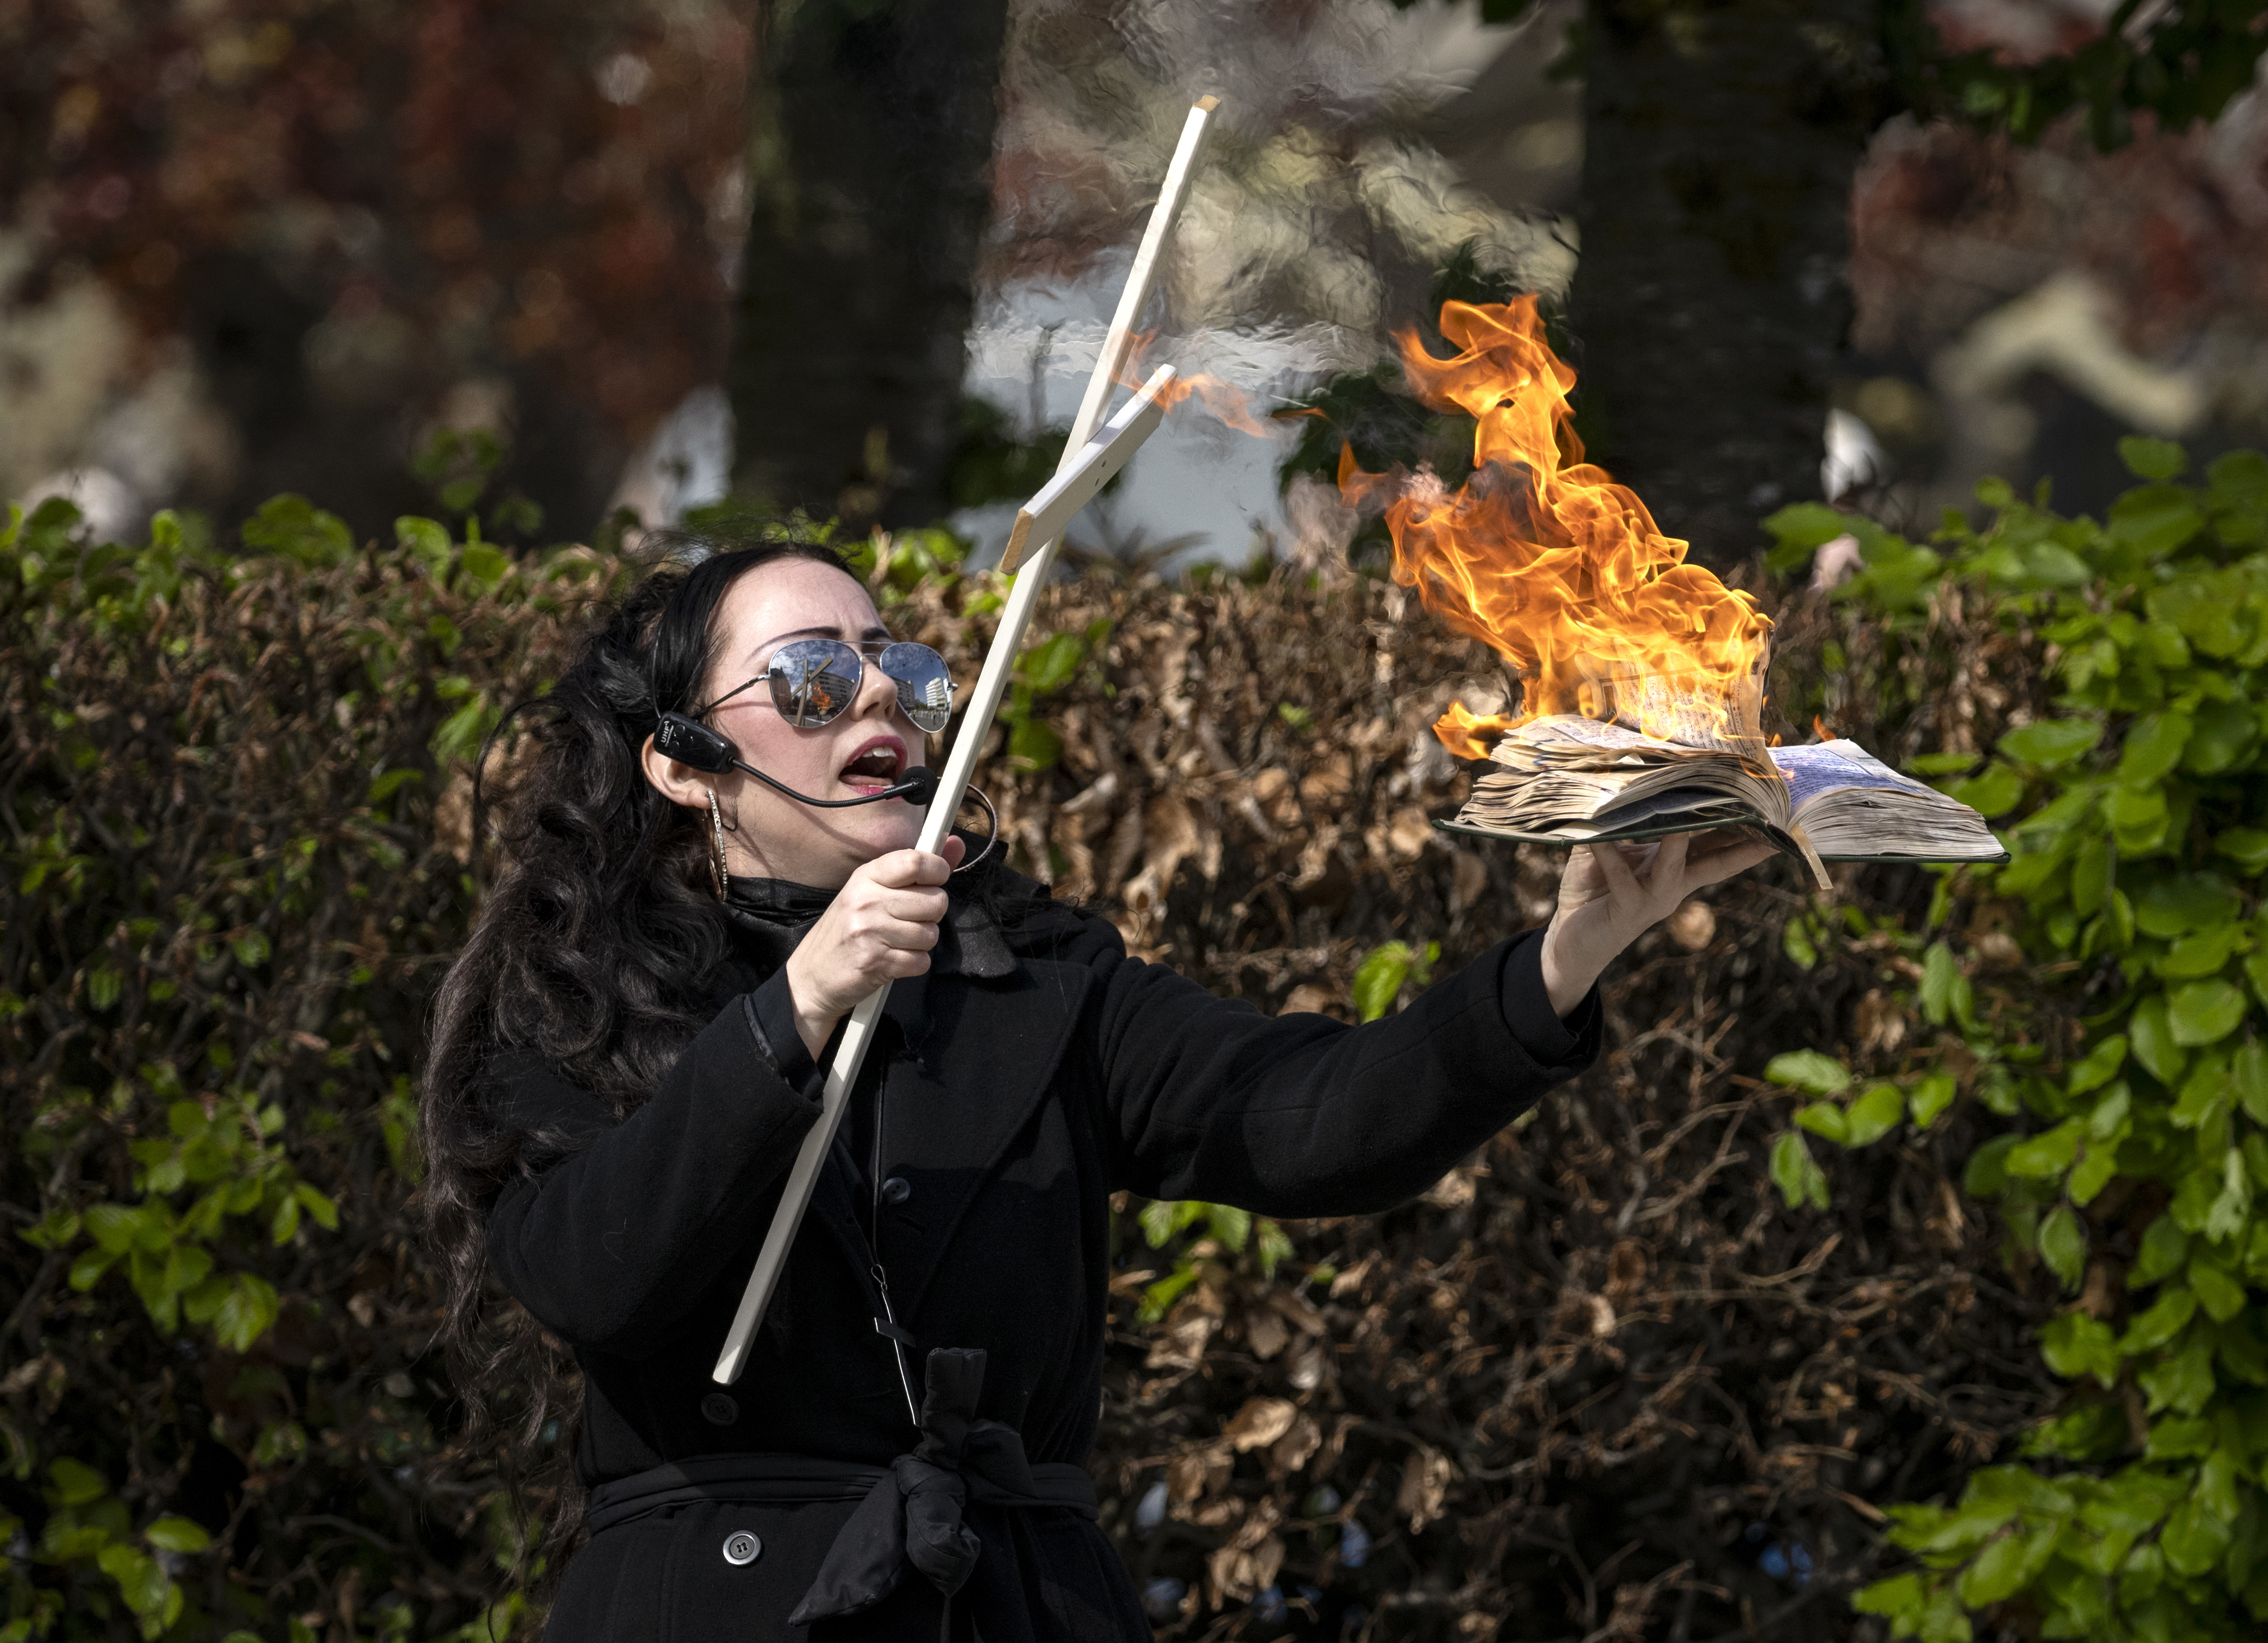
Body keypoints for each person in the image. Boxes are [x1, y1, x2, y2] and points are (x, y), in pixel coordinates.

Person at [419, 533, 1773, 1642]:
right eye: (813, 681)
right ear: (681, 761)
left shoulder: (1037, 975)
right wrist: (798, 1010)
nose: (881, 696)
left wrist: (1567, 955)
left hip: (1010, 1608)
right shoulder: (574, 996)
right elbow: (588, 1271)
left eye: (898, 669)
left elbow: (1310, 1121)